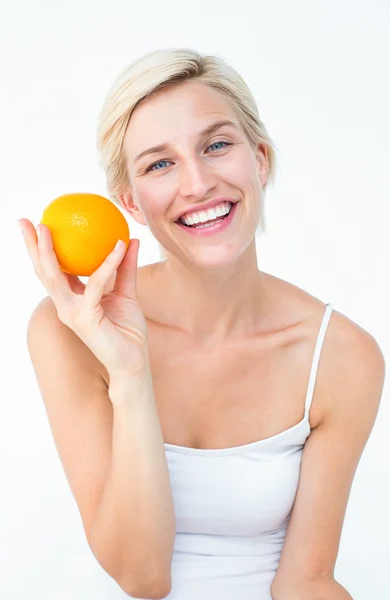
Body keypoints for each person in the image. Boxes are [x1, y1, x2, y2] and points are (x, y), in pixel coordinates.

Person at [19, 48, 385, 600]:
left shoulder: (340, 356)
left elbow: (306, 580)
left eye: (216, 146)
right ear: (131, 203)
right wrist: (130, 371)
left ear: (259, 160)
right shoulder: (69, 331)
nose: (197, 184)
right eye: (159, 164)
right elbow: (142, 577)